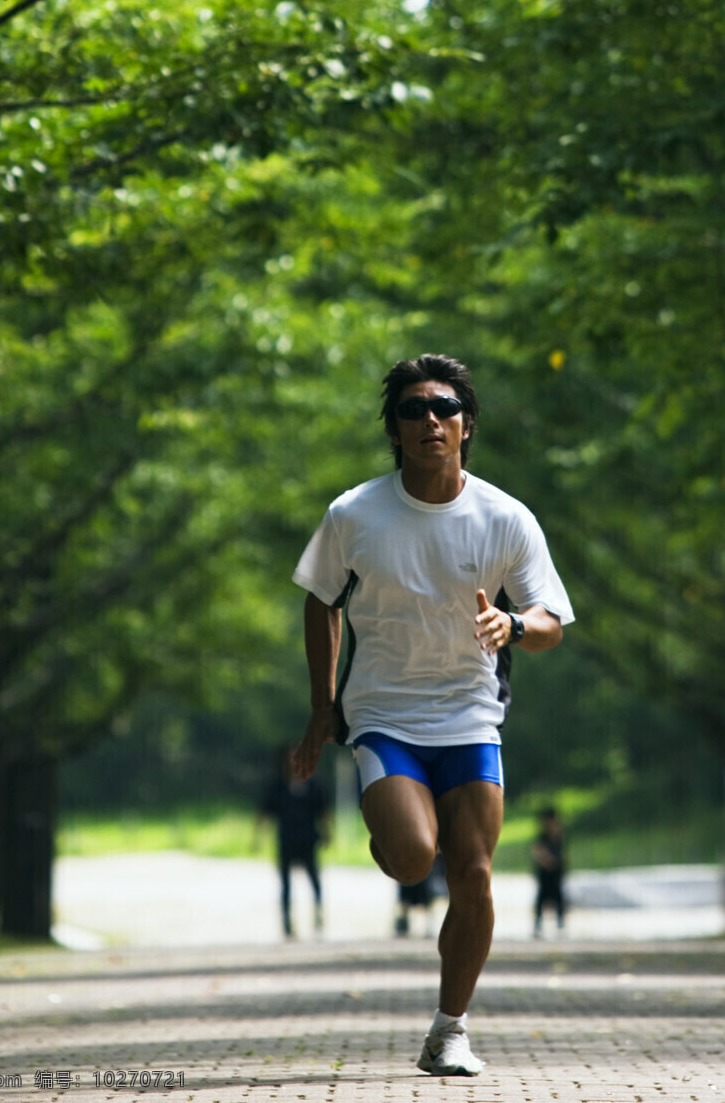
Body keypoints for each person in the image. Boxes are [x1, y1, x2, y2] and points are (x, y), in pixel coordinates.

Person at [291, 353, 574, 1077]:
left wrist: (513, 626)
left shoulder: (504, 517)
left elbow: (551, 621)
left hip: (472, 718)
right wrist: (323, 710)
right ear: (394, 428)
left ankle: (450, 1029)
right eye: (413, 410)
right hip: (384, 716)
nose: (431, 421)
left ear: (467, 424)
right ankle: (393, 829)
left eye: (444, 407)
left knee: (474, 872)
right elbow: (320, 599)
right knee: (416, 857)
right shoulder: (355, 513)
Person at [259, 746, 329, 938]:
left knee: (315, 881)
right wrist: (257, 837)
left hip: (308, 839)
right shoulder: (277, 786)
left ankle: (318, 917)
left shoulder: (313, 785)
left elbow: (322, 812)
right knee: (285, 884)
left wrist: (327, 833)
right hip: (286, 840)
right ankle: (287, 922)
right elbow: (265, 812)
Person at [531, 806, 567, 938]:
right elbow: (537, 851)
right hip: (545, 875)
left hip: (556, 875)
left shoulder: (558, 838)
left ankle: (560, 925)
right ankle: (538, 926)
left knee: (559, 900)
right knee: (541, 901)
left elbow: (561, 856)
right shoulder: (542, 837)